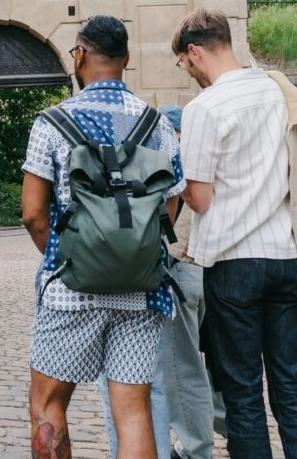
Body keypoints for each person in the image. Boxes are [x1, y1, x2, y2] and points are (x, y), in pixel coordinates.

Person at [21, 15, 184, 459]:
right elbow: (168, 208)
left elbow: (34, 214)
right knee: (132, 412)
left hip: (72, 292)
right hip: (141, 292)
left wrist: (71, 255)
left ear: (79, 55)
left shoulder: (52, 122)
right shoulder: (159, 125)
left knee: (48, 405)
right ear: (126, 59)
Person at [172, 9, 297, 458]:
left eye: (185, 64)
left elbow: (198, 199)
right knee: (293, 385)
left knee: (241, 392)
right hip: (286, 255)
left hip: (234, 263)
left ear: (195, 52)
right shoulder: (280, 93)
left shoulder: (205, 107)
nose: (190, 73)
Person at [98, 104, 222, 459]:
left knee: (178, 371)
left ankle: (197, 449)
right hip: (200, 270)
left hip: (179, 269)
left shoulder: (173, 164)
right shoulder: (193, 161)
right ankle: (198, 443)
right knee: (189, 367)